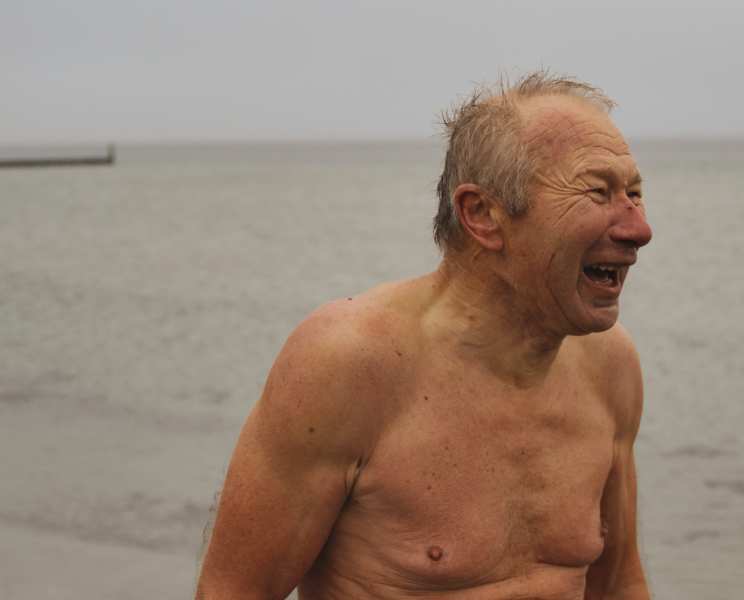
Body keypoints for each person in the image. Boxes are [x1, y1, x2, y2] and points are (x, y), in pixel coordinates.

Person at [196, 71, 653, 600]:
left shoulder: (610, 367)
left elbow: (618, 583)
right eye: (598, 193)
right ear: (482, 214)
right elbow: (231, 591)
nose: (639, 229)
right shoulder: (348, 362)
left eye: (635, 193)